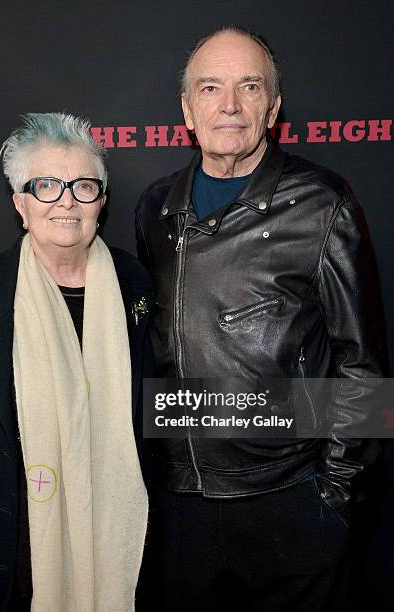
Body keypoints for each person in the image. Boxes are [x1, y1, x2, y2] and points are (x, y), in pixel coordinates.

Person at [135, 26, 389, 612]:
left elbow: (364, 367)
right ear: (187, 110)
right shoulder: (156, 207)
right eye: (210, 88)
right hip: (181, 504)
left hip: (290, 496)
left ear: (273, 107)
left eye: (249, 87)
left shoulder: (322, 203)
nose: (230, 105)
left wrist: (334, 496)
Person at [0, 112, 152, 612]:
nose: (67, 201)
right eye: (46, 185)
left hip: (130, 551)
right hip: (14, 567)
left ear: (102, 201)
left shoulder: (137, 287)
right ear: (21, 205)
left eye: (84, 185)